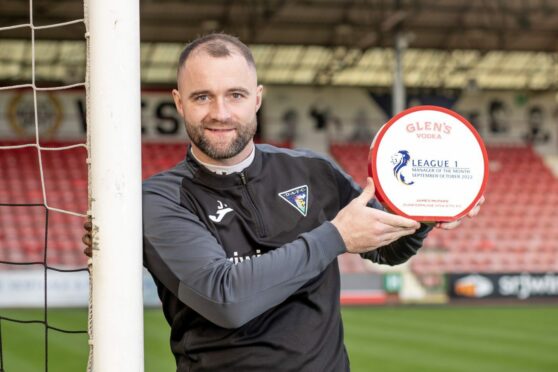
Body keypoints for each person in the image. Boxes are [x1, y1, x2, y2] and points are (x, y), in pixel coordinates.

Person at [83, 33, 483, 371]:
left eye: (235, 95)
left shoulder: (312, 170)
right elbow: (226, 299)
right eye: (202, 97)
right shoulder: (155, 200)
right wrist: (336, 237)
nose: (220, 113)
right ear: (179, 102)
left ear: (257, 98)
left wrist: (423, 210)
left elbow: (388, 248)